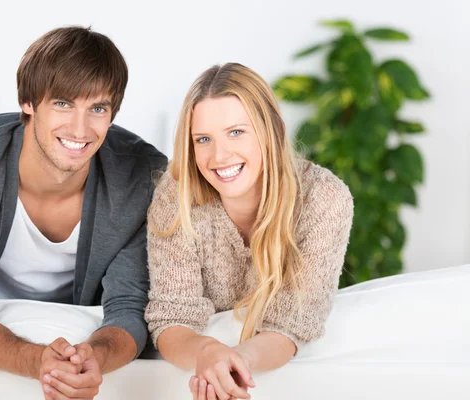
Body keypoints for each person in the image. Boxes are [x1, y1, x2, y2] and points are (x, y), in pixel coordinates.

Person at [0, 26, 167, 400]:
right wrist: (38, 363)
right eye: (63, 104)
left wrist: (94, 359)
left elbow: (130, 308)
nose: (80, 129)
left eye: (97, 108)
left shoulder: (144, 177)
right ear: (29, 102)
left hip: (89, 326)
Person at [145, 63, 354, 400]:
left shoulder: (324, 199)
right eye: (203, 139)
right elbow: (171, 317)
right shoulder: (177, 194)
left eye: (237, 132)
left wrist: (236, 364)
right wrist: (206, 353)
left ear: (272, 130)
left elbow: (291, 324)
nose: (220, 155)